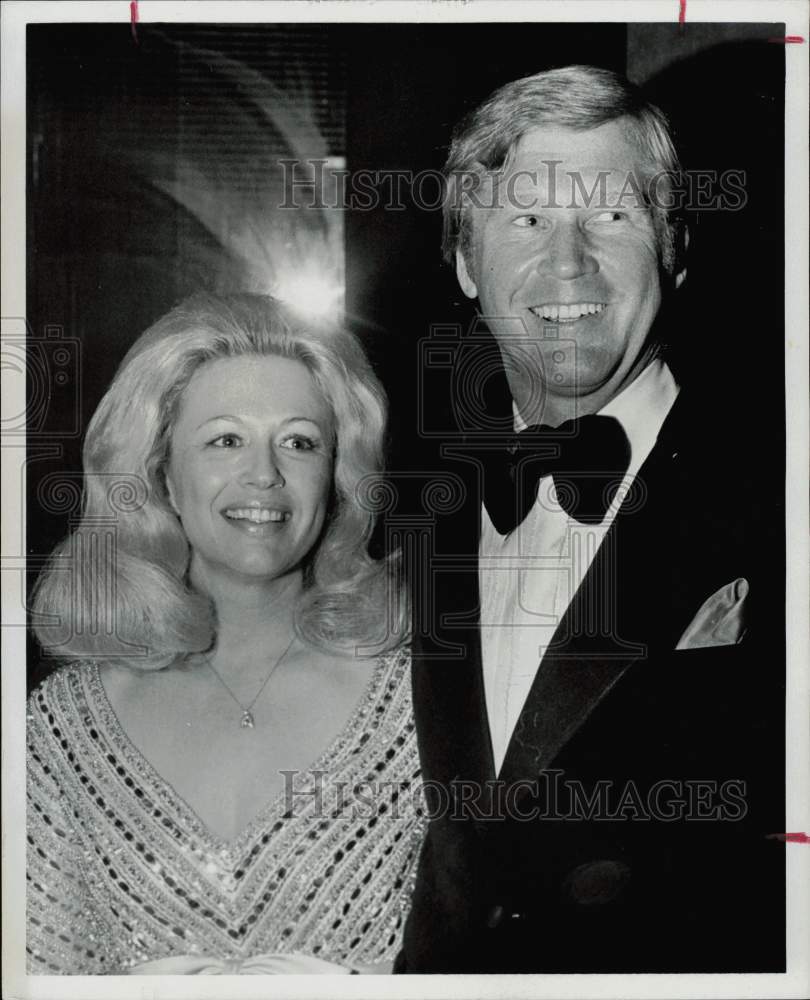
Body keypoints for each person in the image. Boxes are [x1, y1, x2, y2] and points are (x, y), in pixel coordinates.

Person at [398, 65, 784, 972]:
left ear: (677, 249)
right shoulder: (409, 522)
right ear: (462, 262)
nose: (567, 262)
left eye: (612, 216)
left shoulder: (780, 490)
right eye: (526, 221)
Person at [27, 293, 424, 975]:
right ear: (161, 476)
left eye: (299, 442)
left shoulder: (423, 701)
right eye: (225, 440)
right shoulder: (59, 731)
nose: (264, 475)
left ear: (336, 476)